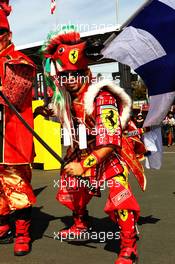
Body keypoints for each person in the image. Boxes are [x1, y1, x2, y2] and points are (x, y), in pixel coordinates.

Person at [41, 25, 147, 264]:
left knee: (120, 192)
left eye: (74, 76)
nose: (69, 81)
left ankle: (129, 243)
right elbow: (65, 113)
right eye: (65, 77)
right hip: (84, 146)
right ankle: (81, 223)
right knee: (70, 179)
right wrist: (45, 109)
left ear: (85, 73)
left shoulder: (103, 97)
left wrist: (84, 165)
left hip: (111, 150)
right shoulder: (69, 97)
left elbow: (110, 141)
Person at [0, 0, 36, 256]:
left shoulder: (20, 61)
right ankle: (3, 225)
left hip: (12, 140)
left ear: (8, 35)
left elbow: (12, 96)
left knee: (17, 186)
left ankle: (23, 233)